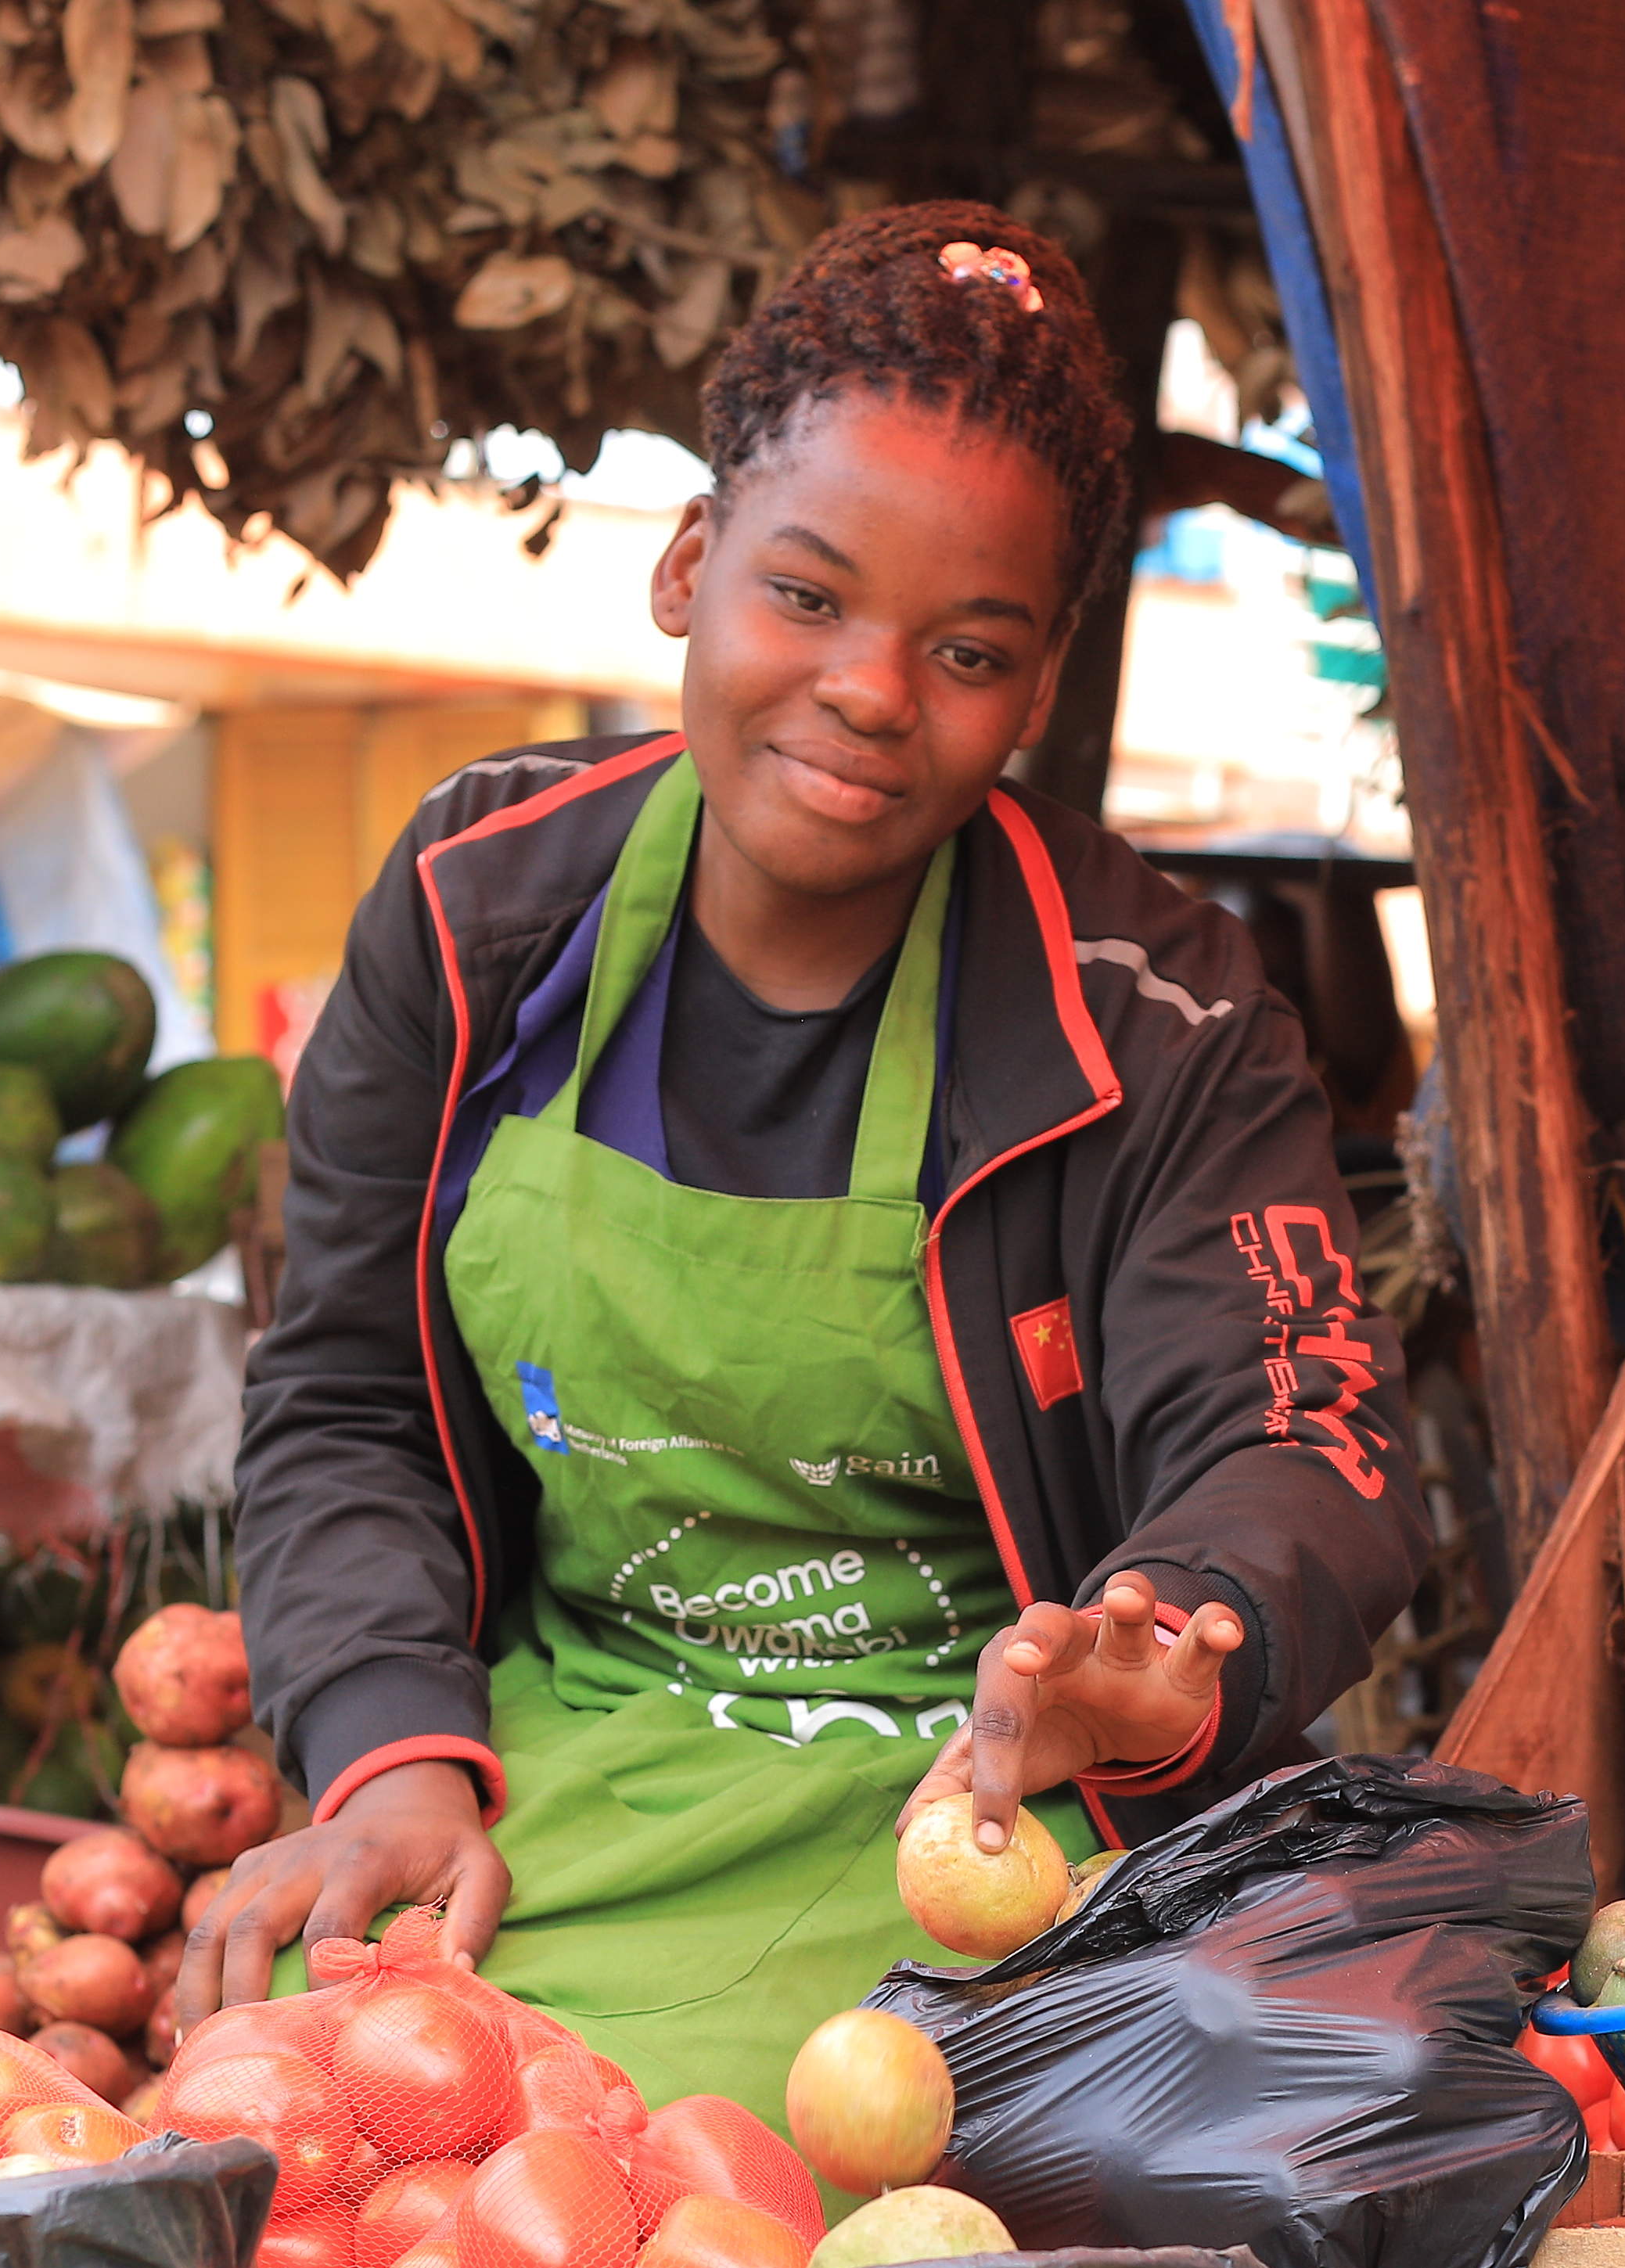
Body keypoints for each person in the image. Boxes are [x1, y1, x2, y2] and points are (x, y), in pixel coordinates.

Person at [184, 203, 1425, 2122]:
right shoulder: (473, 918)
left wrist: (1162, 1650)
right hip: (559, 1807)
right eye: (810, 597)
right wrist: (390, 1763)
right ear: (690, 564)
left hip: (1006, 1846)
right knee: (372, 2200)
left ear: (1039, 683)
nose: (869, 689)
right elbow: (343, 1399)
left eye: (969, 648)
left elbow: (1307, 1449)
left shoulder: (1159, 1020)